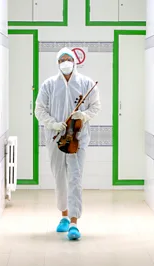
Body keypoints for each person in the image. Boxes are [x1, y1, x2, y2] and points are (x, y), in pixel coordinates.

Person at [34, 47, 101, 240]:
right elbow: (39, 110)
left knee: (75, 177)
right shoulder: (48, 85)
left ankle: (74, 221)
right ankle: (63, 214)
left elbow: (96, 106)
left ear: (75, 61)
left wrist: (84, 115)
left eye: (68, 58)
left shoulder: (86, 83)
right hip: (55, 138)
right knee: (59, 177)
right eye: (62, 59)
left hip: (77, 139)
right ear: (57, 63)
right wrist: (53, 124)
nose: (65, 62)